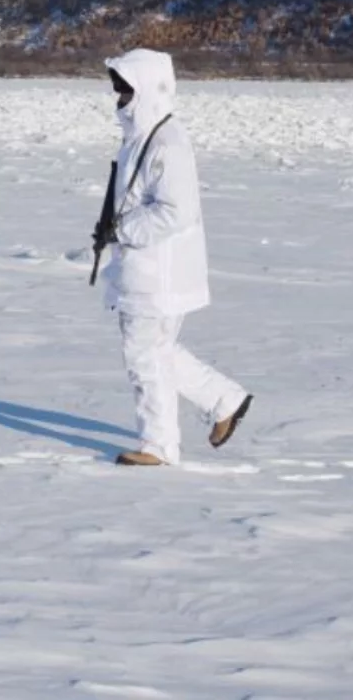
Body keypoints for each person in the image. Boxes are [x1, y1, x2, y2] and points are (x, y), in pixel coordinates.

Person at [95, 48, 251, 466]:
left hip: (158, 271)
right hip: (142, 267)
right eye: (117, 90)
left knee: (145, 355)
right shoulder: (140, 136)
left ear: (146, 91)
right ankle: (224, 400)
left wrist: (123, 229)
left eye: (125, 90)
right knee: (156, 350)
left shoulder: (167, 141)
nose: (118, 99)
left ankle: (159, 446)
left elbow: (174, 211)